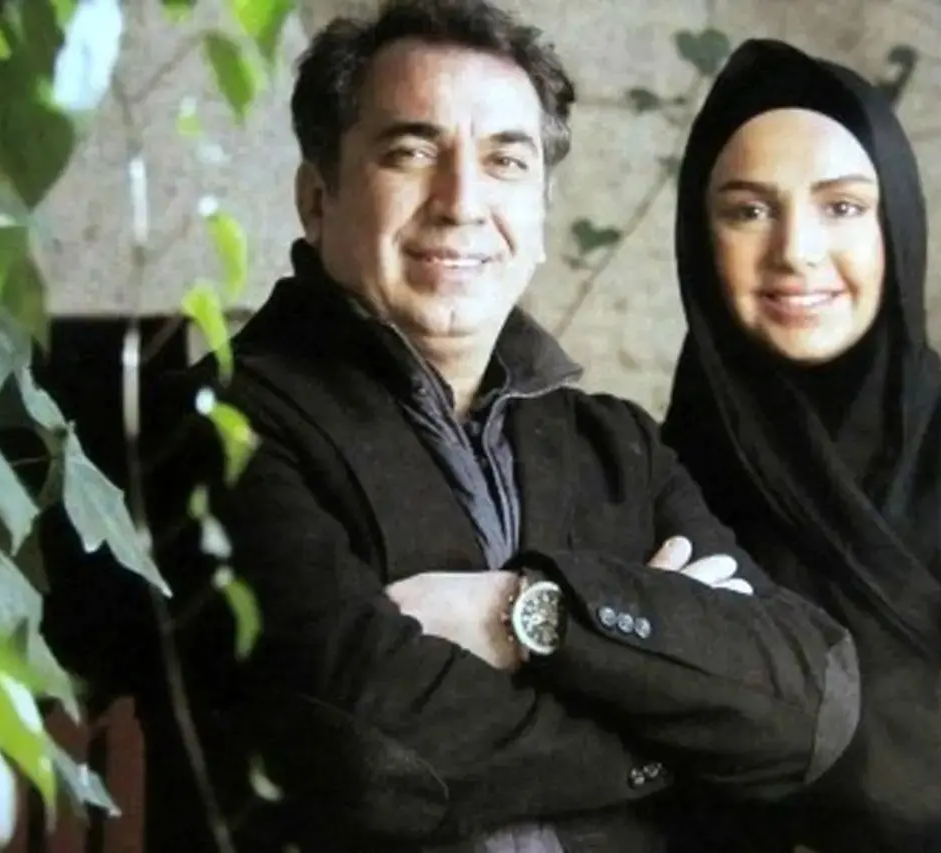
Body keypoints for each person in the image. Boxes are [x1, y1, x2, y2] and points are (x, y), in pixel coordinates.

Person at [162, 6, 861, 853]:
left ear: (539, 215)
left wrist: (528, 611)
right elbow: (373, 754)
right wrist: (671, 709)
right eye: (411, 152)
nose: (462, 202)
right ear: (318, 198)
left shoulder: (619, 448)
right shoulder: (218, 422)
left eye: (505, 161)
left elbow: (810, 704)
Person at [661, 38, 941, 853]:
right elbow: (646, 788)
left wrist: (745, 713)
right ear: (701, 239)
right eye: (749, 210)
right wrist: (924, 731)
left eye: (841, 207)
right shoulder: (653, 477)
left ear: (896, 227)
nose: (796, 250)